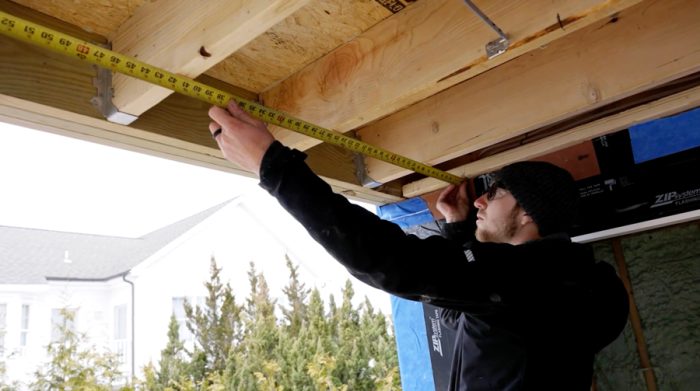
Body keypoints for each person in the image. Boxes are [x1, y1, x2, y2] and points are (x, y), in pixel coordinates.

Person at [207, 102, 630, 390]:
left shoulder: (533, 281)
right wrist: (459, 231)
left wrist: (273, 166)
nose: (480, 199)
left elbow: (390, 261)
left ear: (528, 215)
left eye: (496, 194)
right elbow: (460, 310)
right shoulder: (556, 286)